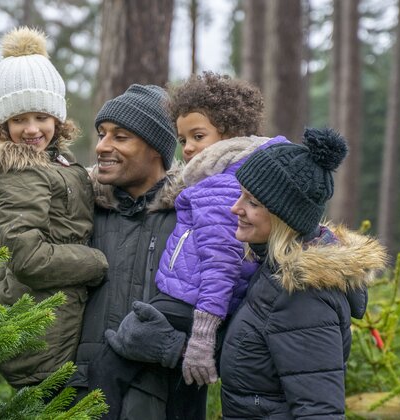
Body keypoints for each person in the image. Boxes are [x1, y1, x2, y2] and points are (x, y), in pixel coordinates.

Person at [86, 72, 286, 419]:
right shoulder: (88, 211)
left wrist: (194, 340)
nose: (190, 147)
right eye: (184, 139)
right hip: (184, 305)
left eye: (198, 136)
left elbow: (225, 266)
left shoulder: (217, 190)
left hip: (188, 309)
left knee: (118, 362)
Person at [0, 27, 107, 388]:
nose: (32, 129)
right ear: (4, 124)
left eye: (40, 117)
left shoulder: (52, 162)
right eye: (19, 120)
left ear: (57, 118)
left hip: (51, 316)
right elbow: (28, 258)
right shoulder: (17, 171)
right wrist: (95, 262)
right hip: (41, 329)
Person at [220, 127, 388, 418]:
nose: (236, 208)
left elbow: (319, 411)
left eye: (253, 202)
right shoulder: (272, 274)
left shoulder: (302, 295)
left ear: (284, 217)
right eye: (241, 195)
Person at [68, 84, 205, 419]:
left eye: (120, 136)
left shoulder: (192, 218)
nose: (101, 146)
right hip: (81, 399)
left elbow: (225, 311)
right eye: (102, 134)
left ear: (155, 147)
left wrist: (173, 347)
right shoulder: (81, 212)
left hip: (169, 402)